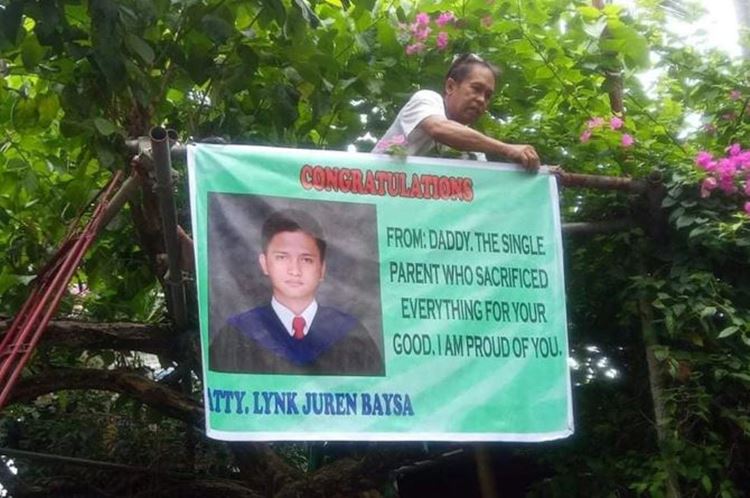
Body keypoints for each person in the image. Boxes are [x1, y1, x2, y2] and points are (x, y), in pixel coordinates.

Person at [209, 209, 384, 376]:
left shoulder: (352, 335)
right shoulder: (236, 334)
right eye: (282, 257)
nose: (295, 270)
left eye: (306, 260)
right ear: (264, 263)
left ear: (322, 269)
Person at [373, 53, 541, 171]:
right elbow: (439, 129)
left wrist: (545, 174)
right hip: (366, 197)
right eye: (476, 89)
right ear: (450, 86)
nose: (482, 99)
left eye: (488, 95)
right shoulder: (427, 99)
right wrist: (507, 148)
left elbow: (489, 181)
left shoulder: (472, 149)